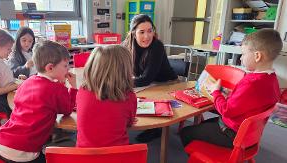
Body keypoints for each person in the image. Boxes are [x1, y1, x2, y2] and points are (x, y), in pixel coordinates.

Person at [180, 29, 282, 148]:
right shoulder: (272, 80)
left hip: (233, 134)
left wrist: (216, 92)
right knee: (202, 125)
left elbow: (226, 111)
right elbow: (251, 101)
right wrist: (231, 93)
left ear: (257, 56)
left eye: (243, 54)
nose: (240, 59)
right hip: (249, 135)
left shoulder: (251, 83)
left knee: (186, 132)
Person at [0, 40, 77, 163]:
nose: (68, 68)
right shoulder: (57, 89)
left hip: (0, 142)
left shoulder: (28, 81)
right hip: (22, 152)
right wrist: (73, 88)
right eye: (65, 66)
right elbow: (67, 109)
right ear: (50, 67)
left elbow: (17, 100)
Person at [122, 14, 178, 142]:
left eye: (150, 31)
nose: (147, 36)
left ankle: (156, 129)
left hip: (167, 83)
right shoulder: (126, 45)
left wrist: (121, 82)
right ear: (133, 33)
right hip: (149, 82)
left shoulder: (157, 46)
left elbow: (146, 79)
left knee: (140, 96)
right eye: (141, 32)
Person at [76, 45, 137, 147]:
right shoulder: (129, 96)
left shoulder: (82, 91)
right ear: (125, 70)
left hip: (83, 156)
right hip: (118, 156)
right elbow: (129, 123)